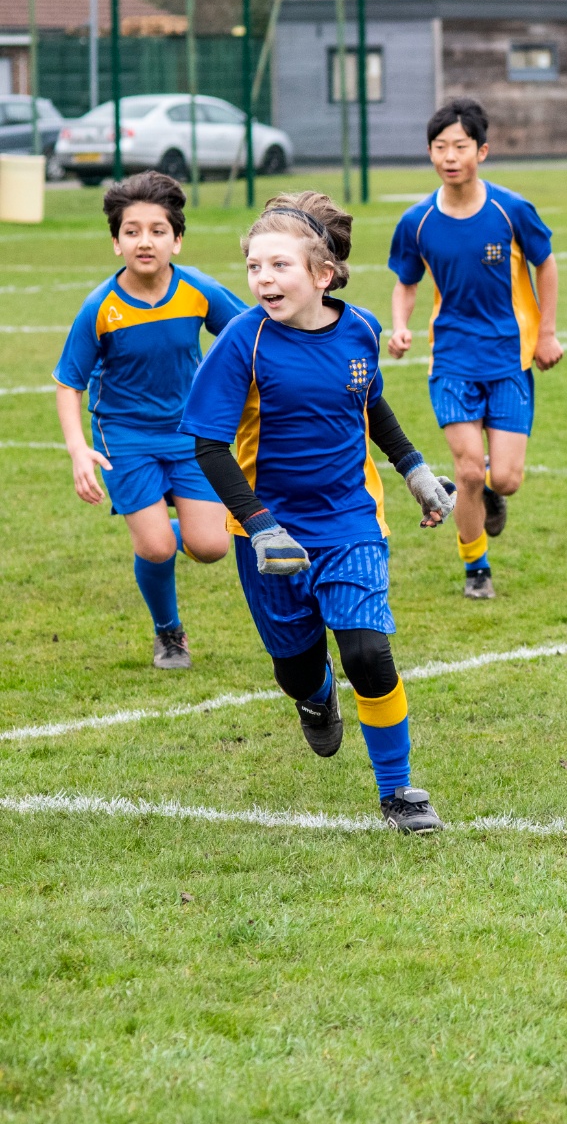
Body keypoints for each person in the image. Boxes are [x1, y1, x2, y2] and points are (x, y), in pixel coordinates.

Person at [183, 193, 459, 831]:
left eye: (279, 266)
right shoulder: (241, 342)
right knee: (298, 668)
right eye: (254, 267)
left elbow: (371, 405)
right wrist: (260, 526)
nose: (263, 280)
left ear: (321, 274)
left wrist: (415, 470)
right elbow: (208, 443)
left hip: (350, 522)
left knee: (367, 653)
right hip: (269, 536)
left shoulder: (360, 328)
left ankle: (399, 793)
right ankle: (314, 699)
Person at [52, 171, 247, 670]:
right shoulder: (100, 307)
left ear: (176, 240)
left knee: (210, 547)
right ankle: (169, 632)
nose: (145, 241)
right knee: (158, 548)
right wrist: (79, 450)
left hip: (190, 434)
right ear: (116, 242)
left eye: (158, 230)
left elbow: (249, 335)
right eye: (132, 230)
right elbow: (69, 382)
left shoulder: (198, 291)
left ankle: (163, 516)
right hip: (125, 438)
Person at [387, 98, 563, 600]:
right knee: (466, 469)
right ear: (430, 153)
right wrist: (400, 326)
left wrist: (547, 333)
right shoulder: (417, 221)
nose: (450, 156)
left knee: (504, 479)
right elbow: (406, 281)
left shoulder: (511, 210)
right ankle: (476, 569)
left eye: (460, 146)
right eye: (440, 147)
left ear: (481, 151)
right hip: (452, 362)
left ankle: (487, 493)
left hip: (510, 358)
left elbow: (546, 264)